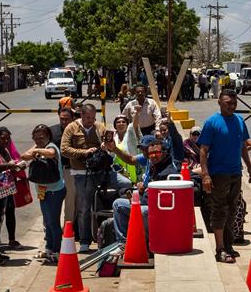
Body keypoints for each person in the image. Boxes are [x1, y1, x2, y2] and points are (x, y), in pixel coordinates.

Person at [108, 109, 185, 244]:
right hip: (145, 200)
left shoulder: (170, 166)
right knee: (118, 204)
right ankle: (123, 242)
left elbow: (177, 141)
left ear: (159, 150)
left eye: (153, 152)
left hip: (160, 207)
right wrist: (114, 149)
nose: (149, 154)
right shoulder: (148, 158)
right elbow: (131, 159)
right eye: (145, 150)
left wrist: (170, 123)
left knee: (143, 212)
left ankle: (149, 242)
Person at [198, 89, 251, 264]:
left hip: (235, 173)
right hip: (218, 174)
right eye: (227, 103)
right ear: (219, 103)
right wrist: (206, 175)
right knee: (219, 210)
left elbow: (243, 146)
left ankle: (229, 245)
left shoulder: (239, 120)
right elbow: (203, 150)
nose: (231, 106)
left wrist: (249, 167)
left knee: (232, 210)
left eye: (233, 103)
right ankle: (220, 249)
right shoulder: (212, 122)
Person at [61, 103, 127, 253]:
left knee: (126, 183)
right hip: (82, 174)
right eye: (88, 117)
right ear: (82, 115)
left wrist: (107, 146)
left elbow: (111, 145)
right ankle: (84, 241)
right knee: (84, 208)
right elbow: (64, 150)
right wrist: (84, 152)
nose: (91, 121)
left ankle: (119, 231)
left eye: (93, 118)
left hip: (102, 171)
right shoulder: (71, 128)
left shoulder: (99, 127)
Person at [22, 124, 66, 264]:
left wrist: (37, 150)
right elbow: (23, 156)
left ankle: (57, 251)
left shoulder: (51, 146)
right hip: (43, 191)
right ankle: (49, 249)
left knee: (53, 222)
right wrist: (35, 149)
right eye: (36, 138)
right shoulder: (37, 147)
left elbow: (51, 154)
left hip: (55, 191)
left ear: (48, 137)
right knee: (47, 222)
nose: (39, 140)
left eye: (41, 137)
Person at [0, 127, 22, 264]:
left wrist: (18, 166)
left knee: (0, 220)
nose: (6, 141)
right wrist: (9, 165)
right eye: (3, 138)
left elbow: (10, 163)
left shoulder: (4, 149)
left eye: (8, 138)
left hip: (4, 190)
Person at [50, 107, 77, 229]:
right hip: (55, 172)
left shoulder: (77, 130)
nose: (64, 122)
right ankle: (50, 228)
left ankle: (67, 228)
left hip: (70, 171)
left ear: (72, 118)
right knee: (52, 201)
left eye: (67, 119)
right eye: (62, 119)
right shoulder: (52, 131)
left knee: (70, 202)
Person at [112, 113, 140, 183]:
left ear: (127, 124)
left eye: (123, 122)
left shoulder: (131, 134)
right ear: (115, 125)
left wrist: (137, 113)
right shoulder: (113, 137)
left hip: (131, 168)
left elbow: (134, 124)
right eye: (118, 122)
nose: (121, 124)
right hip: (117, 169)